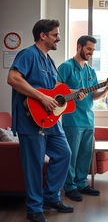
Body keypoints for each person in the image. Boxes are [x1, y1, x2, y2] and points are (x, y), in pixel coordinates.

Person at [7, 19, 73, 222]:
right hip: (30, 120)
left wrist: (75, 93)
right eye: (55, 35)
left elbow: (55, 90)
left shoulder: (49, 61)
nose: (58, 38)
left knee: (64, 154)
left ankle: (51, 197)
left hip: (51, 121)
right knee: (34, 164)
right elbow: (13, 79)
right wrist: (41, 97)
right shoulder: (27, 54)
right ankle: (34, 208)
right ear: (43, 35)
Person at [57, 35, 108, 202]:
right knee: (72, 155)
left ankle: (82, 184)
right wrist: (74, 93)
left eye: (93, 50)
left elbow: (93, 96)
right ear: (79, 46)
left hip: (88, 119)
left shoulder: (91, 71)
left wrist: (106, 90)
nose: (91, 52)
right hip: (71, 119)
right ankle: (70, 187)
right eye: (88, 49)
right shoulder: (66, 66)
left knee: (85, 155)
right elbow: (55, 89)